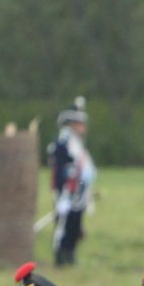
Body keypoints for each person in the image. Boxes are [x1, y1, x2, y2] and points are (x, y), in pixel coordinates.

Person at [46, 98, 95, 267]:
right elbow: (59, 170)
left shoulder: (78, 144)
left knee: (75, 224)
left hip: (79, 191)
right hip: (66, 191)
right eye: (79, 123)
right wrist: (63, 192)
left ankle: (70, 255)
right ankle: (60, 256)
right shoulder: (62, 144)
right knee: (63, 225)